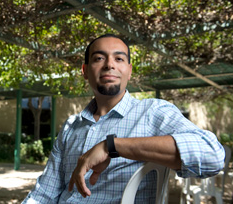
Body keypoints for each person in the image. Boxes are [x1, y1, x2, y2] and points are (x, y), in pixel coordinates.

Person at [22, 34, 225, 203]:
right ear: (85, 71)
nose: (109, 65)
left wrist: (111, 146)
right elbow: (44, 194)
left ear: (129, 70)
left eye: (119, 59)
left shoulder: (153, 112)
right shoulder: (70, 127)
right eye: (99, 58)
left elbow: (212, 155)